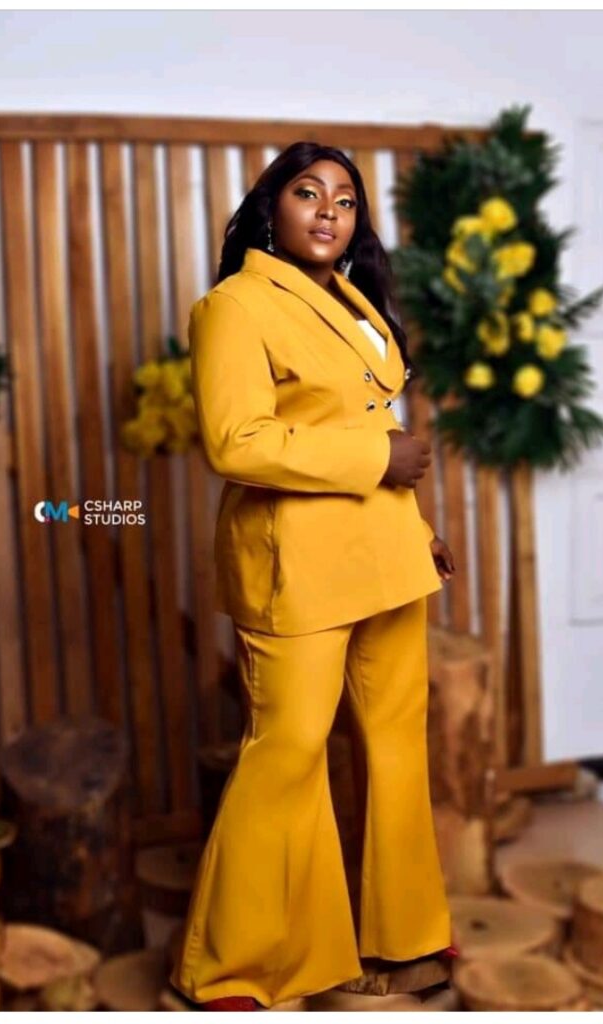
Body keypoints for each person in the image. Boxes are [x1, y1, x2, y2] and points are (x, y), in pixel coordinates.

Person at [169, 141, 457, 1011]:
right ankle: (232, 968)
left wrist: (417, 531)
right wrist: (378, 460)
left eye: (345, 198)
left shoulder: (354, 301)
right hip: (295, 565)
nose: (328, 210)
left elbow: (363, 421)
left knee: (396, 745)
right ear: (272, 209)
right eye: (307, 192)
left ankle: (407, 937)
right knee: (287, 751)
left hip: (385, 557)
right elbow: (237, 443)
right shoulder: (233, 307)